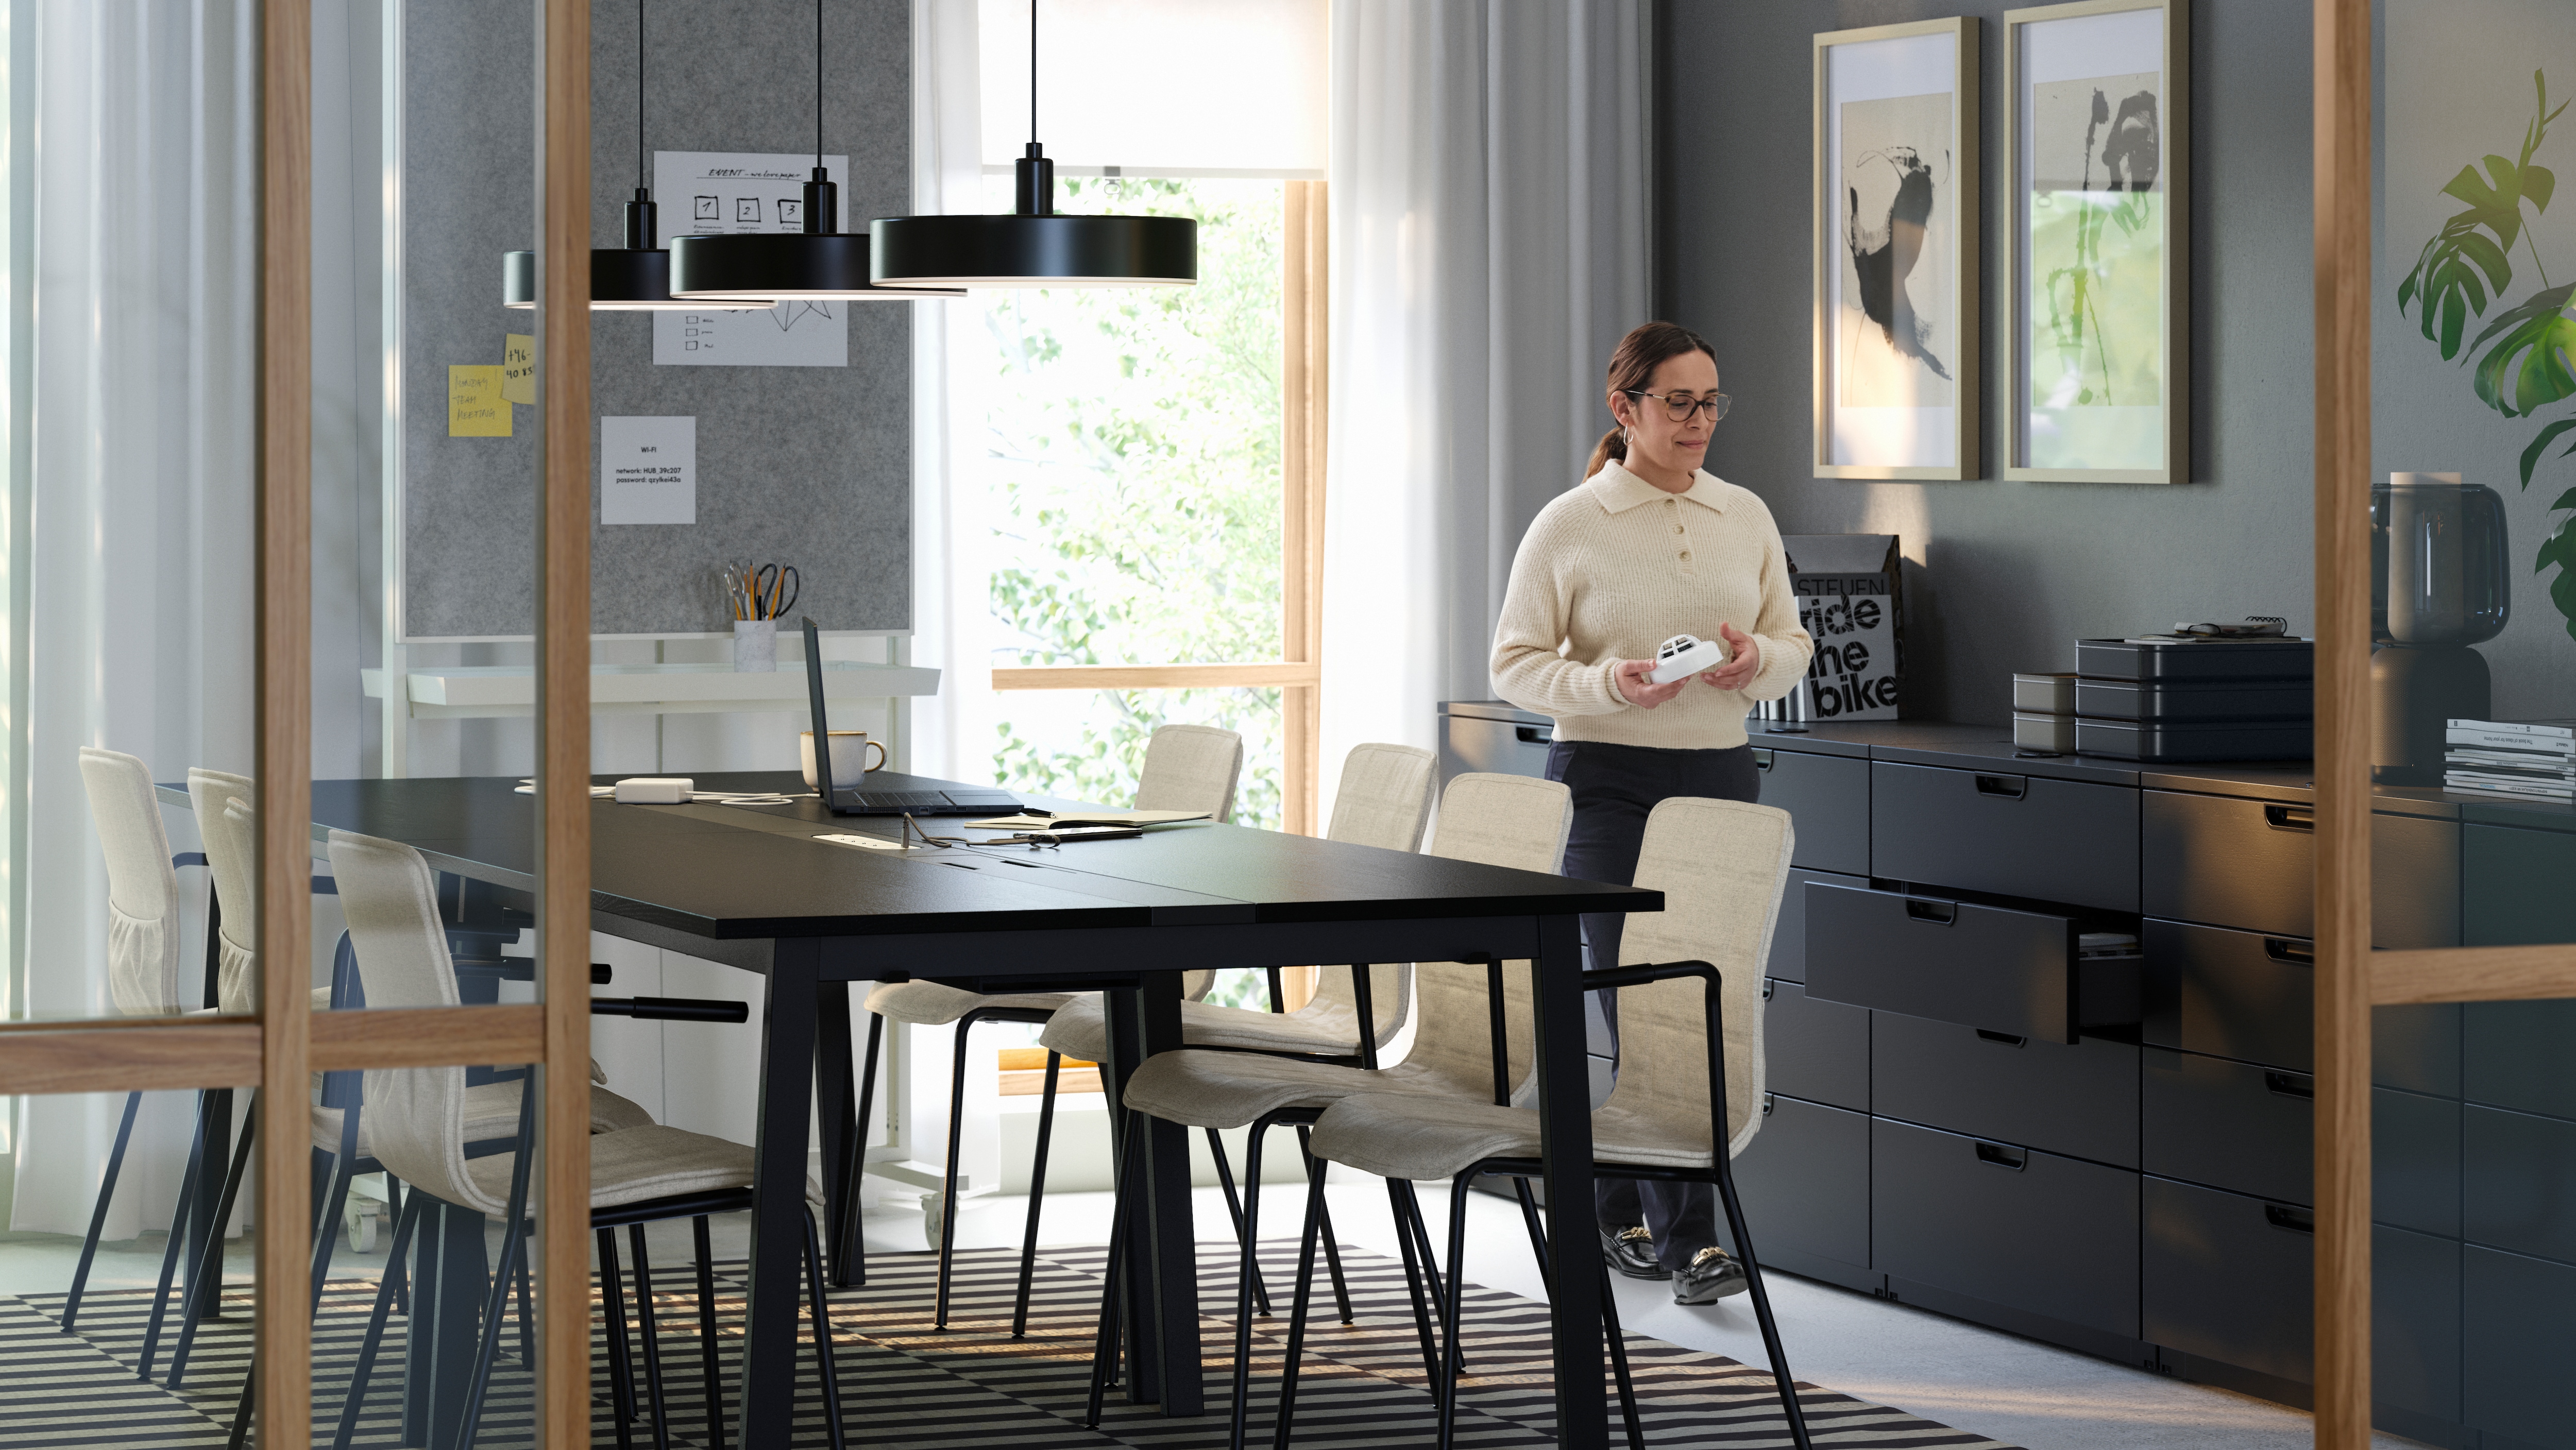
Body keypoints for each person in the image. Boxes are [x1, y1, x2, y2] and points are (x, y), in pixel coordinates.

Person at [1489, 320, 1814, 1305]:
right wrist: (1608, 683)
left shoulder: (1745, 515)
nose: (1699, 420)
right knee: (1641, 1006)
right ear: (1624, 409)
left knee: (1703, 1006)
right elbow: (1512, 664)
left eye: (1711, 401)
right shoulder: (1570, 523)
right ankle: (1693, 1242)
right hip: (1607, 785)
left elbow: (1793, 643)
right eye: (1679, 401)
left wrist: (1758, 662)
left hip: (1722, 780)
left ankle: (1615, 1213)